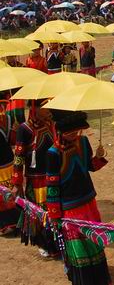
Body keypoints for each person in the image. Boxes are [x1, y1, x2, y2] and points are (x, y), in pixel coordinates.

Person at [45, 111, 111, 285]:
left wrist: (99, 157)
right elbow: (52, 186)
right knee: (78, 244)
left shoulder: (83, 141)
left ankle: (99, 276)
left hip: (89, 200)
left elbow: (89, 167)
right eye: (70, 133)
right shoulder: (53, 153)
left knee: (93, 239)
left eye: (77, 132)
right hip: (69, 206)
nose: (74, 136)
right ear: (60, 131)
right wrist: (54, 214)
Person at [12, 101, 58, 256]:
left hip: (53, 177)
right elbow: (18, 157)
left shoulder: (52, 124)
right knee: (39, 214)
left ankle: (57, 243)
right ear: (35, 108)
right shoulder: (25, 129)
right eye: (45, 106)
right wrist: (16, 182)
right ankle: (44, 243)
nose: (49, 109)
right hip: (36, 180)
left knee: (55, 211)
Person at [0, 99, 20, 235]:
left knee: (7, 192)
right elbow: (12, 141)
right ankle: (13, 222)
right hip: (7, 158)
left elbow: (13, 140)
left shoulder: (7, 118)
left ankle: (9, 223)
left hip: (6, 161)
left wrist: (15, 131)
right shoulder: (7, 118)